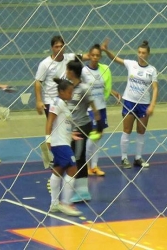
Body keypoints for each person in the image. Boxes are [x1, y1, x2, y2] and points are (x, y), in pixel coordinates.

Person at [101, 39, 158, 168]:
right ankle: (124, 158)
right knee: (127, 130)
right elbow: (115, 59)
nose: (141, 55)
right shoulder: (131, 64)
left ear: (148, 54)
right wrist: (106, 50)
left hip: (144, 104)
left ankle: (138, 158)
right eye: (139, 52)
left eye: (143, 53)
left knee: (141, 131)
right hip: (129, 102)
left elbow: (155, 88)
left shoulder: (152, 70)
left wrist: (152, 105)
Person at [81, 44, 121, 176]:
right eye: (92, 55)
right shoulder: (84, 71)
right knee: (90, 138)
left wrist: (113, 92)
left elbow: (104, 87)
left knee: (98, 138)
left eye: (97, 55)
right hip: (90, 109)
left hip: (102, 108)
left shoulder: (104, 70)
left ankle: (95, 166)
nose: (94, 57)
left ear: (100, 57)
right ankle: (86, 166)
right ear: (89, 55)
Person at [66, 60, 102, 203]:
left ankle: (83, 192)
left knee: (79, 158)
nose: (66, 72)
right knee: (74, 157)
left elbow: (94, 106)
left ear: (72, 72)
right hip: (71, 128)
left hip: (82, 127)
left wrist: (98, 124)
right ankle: (76, 188)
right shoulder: (68, 87)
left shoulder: (84, 88)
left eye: (67, 70)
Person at [46, 78, 82, 216]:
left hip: (63, 141)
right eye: (69, 92)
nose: (71, 95)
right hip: (59, 144)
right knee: (73, 168)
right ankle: (65, 204)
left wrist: (70, 134)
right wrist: (47, 140)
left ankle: (54, 204)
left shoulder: (63, 103)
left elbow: (61, 124)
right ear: (61, 92)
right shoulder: (57, 103)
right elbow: (49, 121)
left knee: (58, 170)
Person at [35, 35, 89, 117]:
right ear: (52, 48)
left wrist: (99, 50)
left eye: (61, 46)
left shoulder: (70, 57)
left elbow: (87, 56)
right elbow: (38, 82)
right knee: (54, 127)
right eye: (56, 47)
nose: (59, 49)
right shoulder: (45, 64)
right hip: (51, 100)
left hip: (66, 100)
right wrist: (39, 101)